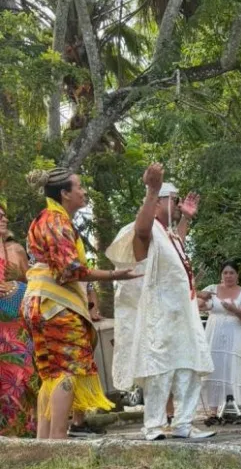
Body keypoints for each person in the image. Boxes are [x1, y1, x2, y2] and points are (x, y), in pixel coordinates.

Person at [22, 167, 140, 440]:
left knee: (50, 373)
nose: (83, 191)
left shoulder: (43, 219)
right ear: (64, 193)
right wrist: (114, 274)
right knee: (65, 371)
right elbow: (70, 270)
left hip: (41, 302)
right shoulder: (57, 222)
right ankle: (59, 440)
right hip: (55, 305)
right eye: (78, 186)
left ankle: (45, 443)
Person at [106, 163, 214, 440]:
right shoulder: (147, 228)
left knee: (191, 366)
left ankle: (183, 423)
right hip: (160, 316)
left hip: (183, 314)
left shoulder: (170, 234)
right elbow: (142, 234)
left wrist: (186, 219)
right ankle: (153, 425)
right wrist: (152, 190)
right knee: (159, 369)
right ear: (156, 204)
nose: (178, 204)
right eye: (173, 200)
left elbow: (174, 254)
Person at [197, 261, 241, 419]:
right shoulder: (212, 289)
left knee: (231, 368)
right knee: (214, 368)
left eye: (232, 273)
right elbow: (198, 303)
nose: (228, 276)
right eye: (225, 273)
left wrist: (235, 310)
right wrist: (199, 298)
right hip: (214, 333)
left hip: (234, 335)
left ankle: (231, 406)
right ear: (221, 275)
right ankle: (212, 409)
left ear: (237, 275)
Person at [0, 201, 38, 437]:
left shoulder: (17, 250)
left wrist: (19, 278)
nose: (3, 218)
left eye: (4, 214)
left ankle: (26, 432)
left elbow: (32, 282)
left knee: (24, 375)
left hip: (19, 320)